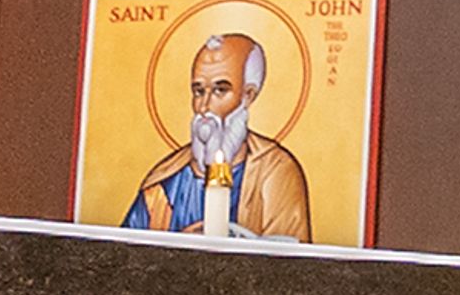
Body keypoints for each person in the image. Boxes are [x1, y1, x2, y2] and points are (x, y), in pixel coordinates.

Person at [121, 33, 316, 240]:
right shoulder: (164, 182)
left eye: (220, 90)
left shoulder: (276, 171)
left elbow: (289, 261)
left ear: (247, 95)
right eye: (198, 91)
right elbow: (124, 257)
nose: (204, 107)